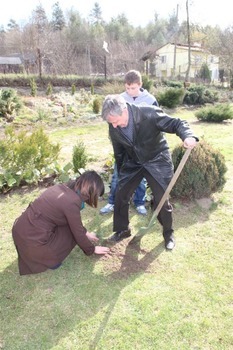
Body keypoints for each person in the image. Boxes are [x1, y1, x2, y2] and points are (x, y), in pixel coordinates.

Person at [101, 94, 198, 250]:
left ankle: (168, 234)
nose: (113, 126)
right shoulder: (114, 126)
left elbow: (176, 123)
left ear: (124, 110)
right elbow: (119, 151)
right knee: (121, 193)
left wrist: (188, 136)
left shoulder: (149, 113)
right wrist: (122, 171)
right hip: (134, 162)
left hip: (157, 160)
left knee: (161, 198)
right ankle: (122, 230)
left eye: (115, 121)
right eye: (110, 123)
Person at [12, 171, 110, 275]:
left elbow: (74, 222)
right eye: (97, 195)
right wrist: (92, 249)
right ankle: (42, 257)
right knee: (56, 259)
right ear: (91, 192)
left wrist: (86, 233)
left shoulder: (63, 187)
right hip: (32, 239)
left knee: (69, 227)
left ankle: (36, 253)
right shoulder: (71, 202)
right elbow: (77, 232)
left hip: (22, 230)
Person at [100, 70, 158, 216]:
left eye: (133, 88)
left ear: (140, 85)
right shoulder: (119, 99)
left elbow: (157, 121)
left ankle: (139, 203)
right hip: (124, 145)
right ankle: (112, 202)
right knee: (117, 175)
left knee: (141, 177)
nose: (130, 91)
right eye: (127, 88)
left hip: (141, 147)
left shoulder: (150, 100)